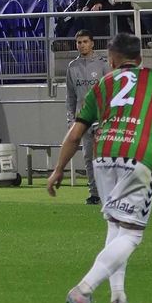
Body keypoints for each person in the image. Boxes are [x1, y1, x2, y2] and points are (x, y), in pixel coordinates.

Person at [48, 34, 152, 303]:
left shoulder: (102, 84)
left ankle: (118, 298)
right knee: (131, 234)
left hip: (103, 156)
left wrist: (58, 169)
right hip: (137, 157)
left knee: (116, 227)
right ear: (140, 59)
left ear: (113, 60)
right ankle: (83, 289)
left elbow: (76, 133)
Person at [64, 31, 110, 204]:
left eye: (85, 41)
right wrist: (71, 120)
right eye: (78, 42)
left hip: (102, 119)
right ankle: (94, 194)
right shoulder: (72, 67)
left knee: (105, 156)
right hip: (83, 120)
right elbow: (70, 97)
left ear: (92, 43)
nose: (81, 45)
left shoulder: (103, 65)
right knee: (88, 157)